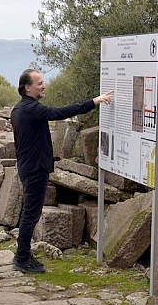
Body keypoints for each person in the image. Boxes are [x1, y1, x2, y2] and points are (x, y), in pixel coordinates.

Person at [11, 69, 113, 274]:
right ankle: (22, 257)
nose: (44, 86)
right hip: (35, 169)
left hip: (28, 167)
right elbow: (61, 112)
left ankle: (23, 254)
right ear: (27, 87)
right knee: (30, 215)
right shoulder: (33, 109)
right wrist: (94, 101)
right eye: (39, 83)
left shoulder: (18, 109)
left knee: (29, 213)